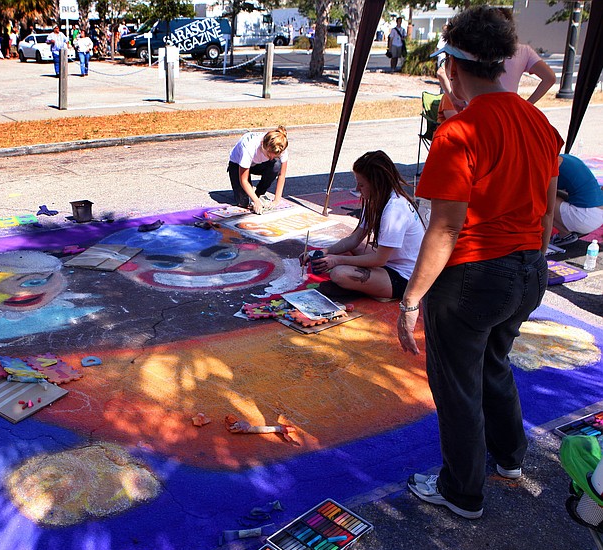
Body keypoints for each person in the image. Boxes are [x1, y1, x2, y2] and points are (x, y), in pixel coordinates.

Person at [399, 7, 563, 520]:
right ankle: (509, 459)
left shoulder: (459, 132)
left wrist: (411, 299)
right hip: (527, 270)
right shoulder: (537, 120)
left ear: (452, 64)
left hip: (473, 277)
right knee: (495, 364)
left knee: (456, 384)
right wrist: (531, 263)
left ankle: (461, 491)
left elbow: (445, 228)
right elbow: (548, 208)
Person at [305, 151, 425, 301]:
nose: (357, 189)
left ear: (376, 184)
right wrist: (323, 252)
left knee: (339, 274)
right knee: (350, 249)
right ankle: (367, 286)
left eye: (361, 184)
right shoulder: (376, 200)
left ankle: (365, 288)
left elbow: (379, 260)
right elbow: (354, 239)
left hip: (405, 277)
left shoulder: (394, 209)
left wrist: (336, 260)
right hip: (391, 263)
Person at [227, 126, 289, 214]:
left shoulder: (280, 146)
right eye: (268, 155)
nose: (271, 158)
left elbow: (281, 175)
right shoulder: (249, 147)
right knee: (244, 202)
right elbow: (243, 180)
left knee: (276, 164)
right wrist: (256, 201)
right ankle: (253, 198)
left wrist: (276, 200)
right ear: (262, 144)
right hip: (237, 165)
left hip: (258, 164)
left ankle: (259, 192)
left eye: (275, 156)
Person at [550, 154, 603, 245]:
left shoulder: (551, 163)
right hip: (598, 215)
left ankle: (565, 234)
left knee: (541, 201)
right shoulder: (566, 158)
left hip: (585, 216)